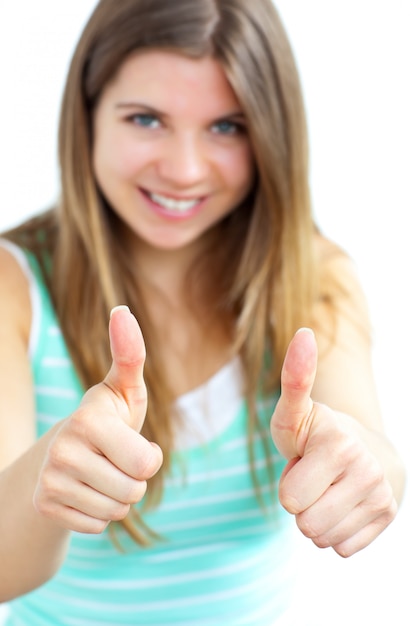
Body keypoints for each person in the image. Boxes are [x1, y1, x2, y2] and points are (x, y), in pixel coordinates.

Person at [0, 0, 405, 624]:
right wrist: (46, 474)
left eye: (227, 127)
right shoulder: (12, 286)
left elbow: (369, 440)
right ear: (86, 118)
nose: (185, 170)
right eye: (145, 118)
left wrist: (366, 467)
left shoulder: (315, 275)